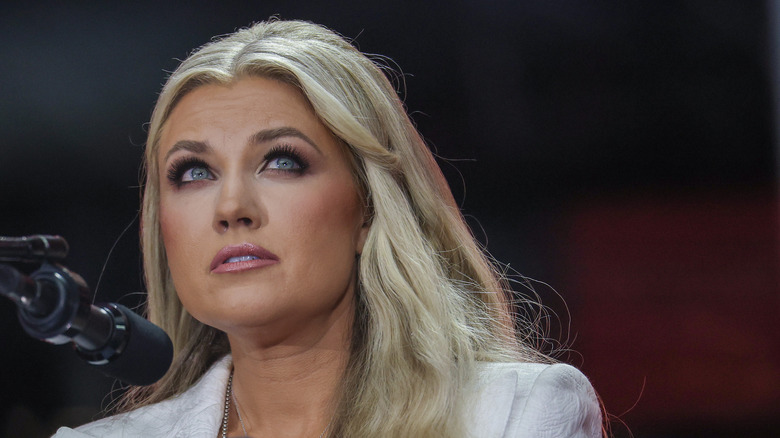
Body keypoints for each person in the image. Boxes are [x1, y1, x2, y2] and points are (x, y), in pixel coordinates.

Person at [53, 19, 603, 438]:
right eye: (194, 173)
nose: (231, 207)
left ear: (368, 208)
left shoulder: (511, 414)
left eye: (282, 162)